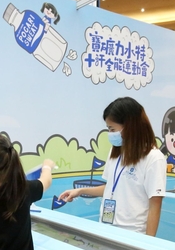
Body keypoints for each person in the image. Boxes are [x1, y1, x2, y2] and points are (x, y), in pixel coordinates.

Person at [59, 97, 167, 236]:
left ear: (130, 127)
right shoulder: (115, 152)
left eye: (112, 129)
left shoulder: (153, 158)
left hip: (132, 234)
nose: (110, 133)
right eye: (108, 129)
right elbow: (110, 188)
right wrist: (80, 191)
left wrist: (148, 243)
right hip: (105, 229)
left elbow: (155, 204)